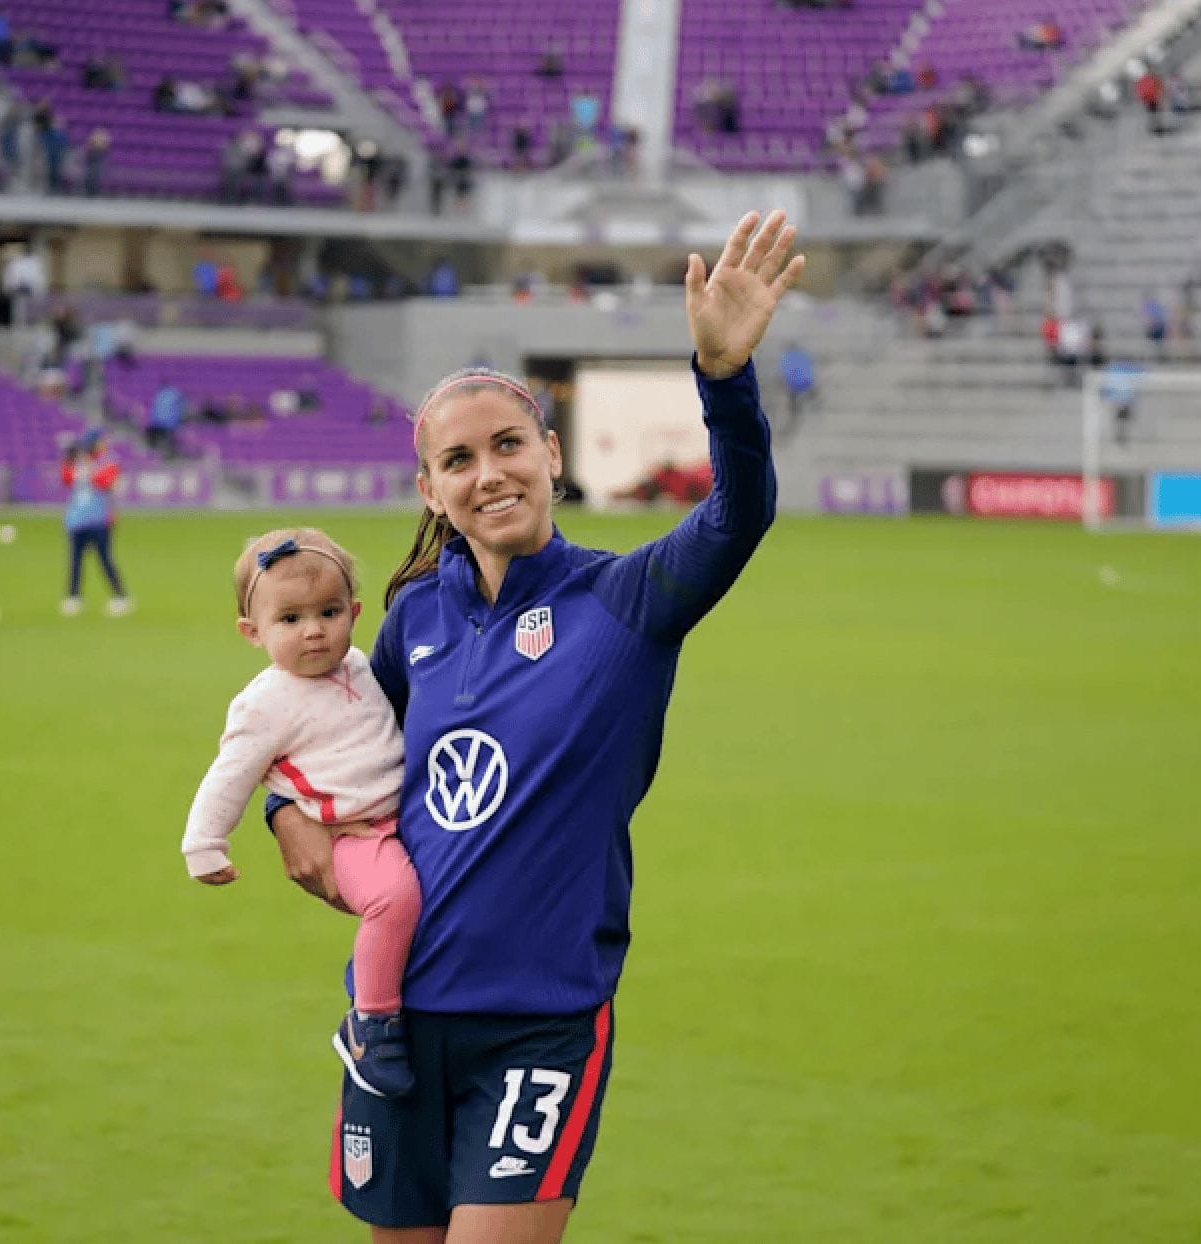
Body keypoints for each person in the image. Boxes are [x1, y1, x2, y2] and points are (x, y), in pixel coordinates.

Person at [266, 210, 798, 1241]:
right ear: (430, 487)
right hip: (395, 1022)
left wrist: (722, 377)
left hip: (538, 1021)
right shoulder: (415, 613)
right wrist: (288, 812)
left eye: (508, 444)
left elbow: (739, 515)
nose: (489, 473)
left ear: (551, 453)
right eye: (458, 459)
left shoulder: (628, 600)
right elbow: (334, 740)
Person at [181, 529, 422, 1097]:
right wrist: (204, 844)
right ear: (252, 632)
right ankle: (373, 1023)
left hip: (404, 819)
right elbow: (229, 774)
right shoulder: (265, 703)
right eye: (290, 620)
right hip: (353, 838)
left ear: (354, 613)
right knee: (394, 899)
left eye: (329, 612)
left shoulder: (360, 666)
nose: (314, 630)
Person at [58, 429, 131, 617]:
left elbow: (104, 481)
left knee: (104, 559)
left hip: (99, 519)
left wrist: (86, 466)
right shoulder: (78, 462)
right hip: (77, 519)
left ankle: (120, 596)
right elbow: (66, 478)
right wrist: (70, 459)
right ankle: (73, 597)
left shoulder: (107, 462)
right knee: (75, 560)